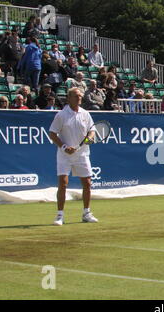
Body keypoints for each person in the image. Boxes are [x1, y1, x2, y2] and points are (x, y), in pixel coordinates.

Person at [48, 87, 99, 226]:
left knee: (87, 183)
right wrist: (64, 147)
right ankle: (60, 215)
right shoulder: (61, 115)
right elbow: (52, 133)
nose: (79, 98)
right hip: (64, 155)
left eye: (80, 96)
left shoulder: (85, 114)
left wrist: (88, 139)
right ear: (69, 98)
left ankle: (86, 213)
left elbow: (92, 132)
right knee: (63, 184)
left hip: (82, 154)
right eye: (76, 96)